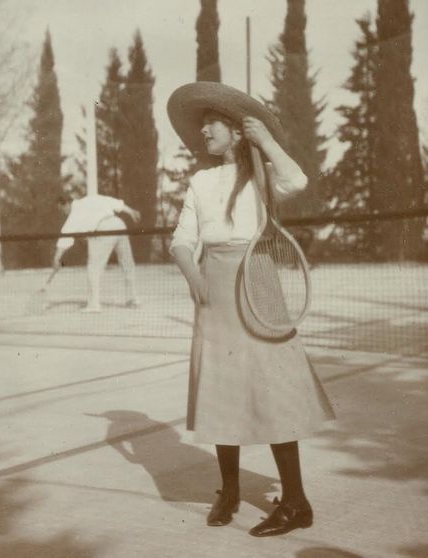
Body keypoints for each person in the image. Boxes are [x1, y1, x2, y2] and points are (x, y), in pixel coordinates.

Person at [167, 82, 335, 537]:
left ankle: (297, 502)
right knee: (222, 387)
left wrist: (267, 142)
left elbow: (298, 180)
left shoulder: (261, 174)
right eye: (201, 123)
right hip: (214, 284)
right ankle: (230, 491)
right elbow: (181, 239)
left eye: (212, 123)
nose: (204, 130)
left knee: (272, 389)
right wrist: (194, 275)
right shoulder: (201, 181)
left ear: (237, 132)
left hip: (257, 278)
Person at [51, 193, 141, 312]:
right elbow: (116, 203)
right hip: (118, 223)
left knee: (93, 269)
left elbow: (65, 237)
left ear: (66, 204)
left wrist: (57, 258)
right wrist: (131, 211)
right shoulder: (92, 199)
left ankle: (94, 305)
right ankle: (133, 299)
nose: (62, 212)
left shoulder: (74, 214)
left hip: (102, 229)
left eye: (61, 209)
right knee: (128, 264)